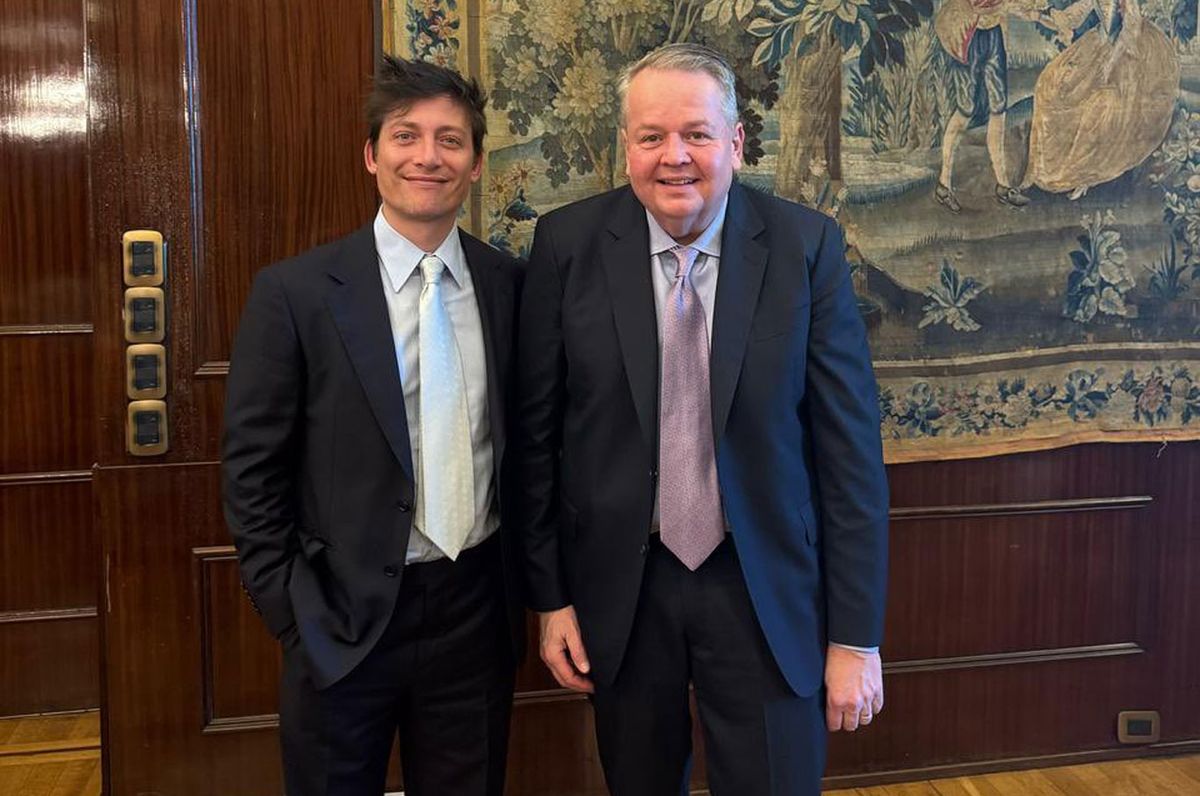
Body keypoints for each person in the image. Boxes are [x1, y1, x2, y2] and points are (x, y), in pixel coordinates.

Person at [516, 43, 889, 795]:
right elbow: (536, 442)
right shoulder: (566, 247)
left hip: (766, 591)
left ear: (737, 143)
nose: (674, 157)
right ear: (626, 147)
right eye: (651, 136)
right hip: (623, 589)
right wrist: (551, 598)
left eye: (696, 134)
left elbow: (849, 456)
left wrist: (856, 637)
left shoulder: (805, 248)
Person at [222, 55, 523, 796]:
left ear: (476, 164)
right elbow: (252, 470)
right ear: (371, 154)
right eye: (406, 135)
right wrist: (291, 611)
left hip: (475, 612)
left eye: (451, 139)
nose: (428, 156)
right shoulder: (295, 293)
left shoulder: (511, 287)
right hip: (339, 616)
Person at [1019, 0, 1179, 199]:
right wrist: (1041, 15)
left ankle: (1086, 174)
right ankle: (1049, 168)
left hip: (1131, 53)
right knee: (1050, 84)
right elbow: (1071, 18)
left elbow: (1131, 29)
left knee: (1105, 105)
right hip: (1099, 45)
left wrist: (1111, 62)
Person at [934, 0, 1041, 211]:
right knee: (965, 112)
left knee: (998, 110)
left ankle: (1003, 186)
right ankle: (944, 184)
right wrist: (1023, 10)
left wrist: (1033, 12)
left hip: (993, 33)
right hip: (967, 34)